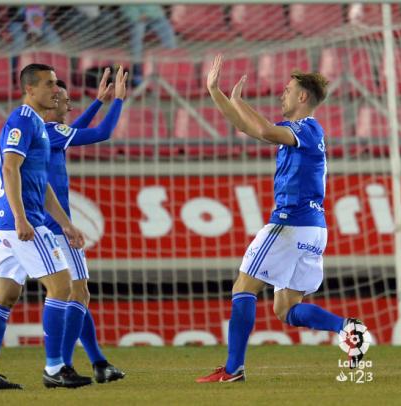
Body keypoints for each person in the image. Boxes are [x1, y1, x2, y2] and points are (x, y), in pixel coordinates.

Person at [196, 54, 365, 383]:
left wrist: (239, 100)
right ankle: (348, 329)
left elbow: (261, 128)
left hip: (290, 223)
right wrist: (216, 92)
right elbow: (247, 127)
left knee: (244, 286)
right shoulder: (299, 131)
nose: (281, 95)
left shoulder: (307, 128)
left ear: (303, 97)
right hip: (313, 229)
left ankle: (233, 370)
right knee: (285, 309)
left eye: (287, 90)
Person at [0, 63, 90, 390]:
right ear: (30, 89)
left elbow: (40, 182)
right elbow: (10, 169)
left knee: (6, 294)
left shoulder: (37, 124)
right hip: (20, 222)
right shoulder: (23, 120)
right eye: (49, 84)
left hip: (5, 222)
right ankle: (55, 368)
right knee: (63, 286)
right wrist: (22, 218)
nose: (56, 89)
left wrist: (66, 224)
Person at [42, 67, 126, 383]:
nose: (69, 105)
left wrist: (98, 102)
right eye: (64, 100)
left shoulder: (45, 133)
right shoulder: (49, 130)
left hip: (43, 226)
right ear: (51, 103)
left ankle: (99, 362)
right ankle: (62, 366)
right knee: (78, 294)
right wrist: (117, 101)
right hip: (57, 227)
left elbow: (71, 131)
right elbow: (102, 133)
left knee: (75, 293)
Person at [120, 5, 176, 86]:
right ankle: (137, 71)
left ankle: (171, 68)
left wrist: (149, 14)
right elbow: (125, 7)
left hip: (153, 15)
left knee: (167, 31)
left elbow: (156, 9)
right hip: (135, 16)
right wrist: (137, 16)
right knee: (137, 32)